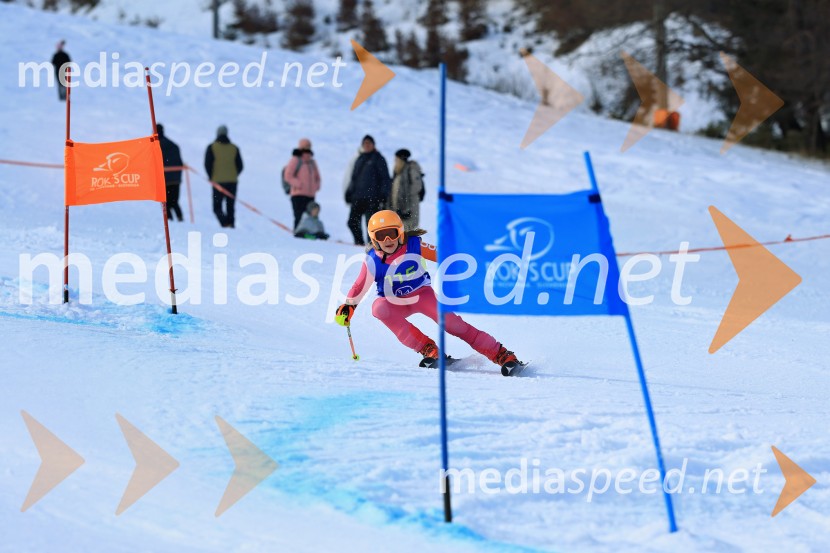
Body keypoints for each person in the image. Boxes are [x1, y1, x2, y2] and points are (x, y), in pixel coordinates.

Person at [334, 210, 521, 370]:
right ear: (374, 240)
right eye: (382, 236)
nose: (388, 239)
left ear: (400, 232)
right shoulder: (372, 261)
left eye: (391, 233)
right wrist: (349, 306)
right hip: (393, 302)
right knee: (378, 308)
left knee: (452, 324)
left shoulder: (414, 245)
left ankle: (501, 355)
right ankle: (429, 350)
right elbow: (359, 285)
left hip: (421, 295)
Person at [345, 135, 390, 245]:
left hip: (373, 197)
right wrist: (349, 191)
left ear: (373, 145)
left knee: (371, 225)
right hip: (358, 197)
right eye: (365, 143)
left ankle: (372, 245)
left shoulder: (379, 159)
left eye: (369, 143)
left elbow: (385, 178)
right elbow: (354, 178)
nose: (367, 145)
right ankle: (359, 242)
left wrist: (384, 196)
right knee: (352, 222)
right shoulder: (359, 159)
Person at [204, 125, 243, 228]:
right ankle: (231, 225)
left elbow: (207, 164)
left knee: (217, 207)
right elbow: (240, 166)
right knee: (230, 206)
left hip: (217, 182)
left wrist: (211, 176)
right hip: (232, 182)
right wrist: (233, 174)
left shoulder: (211, 147)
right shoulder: (234, 148)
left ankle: (225, 223)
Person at [284, 138, 321, 230]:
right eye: (305, 145)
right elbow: (288, 175)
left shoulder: (312, 162)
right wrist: (298, 184)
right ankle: (298, 233)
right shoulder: (296, 160)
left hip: (310, 195)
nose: (307, 147)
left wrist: (316, 187)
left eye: (309, 145)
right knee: (299, 216)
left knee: (311, 216)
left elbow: (318, 177)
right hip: (298, 195)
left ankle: (309, 233)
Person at [389, 148, 424, 230]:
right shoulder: (398, 173)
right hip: (399, 210)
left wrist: (406, 205)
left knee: (408, 231)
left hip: (409, 209)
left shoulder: (411, 169)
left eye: (396, 159)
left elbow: (417, 186)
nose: (395, 162)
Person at [156, 124, 184, 222]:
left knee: (165, 202)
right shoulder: (173, 145)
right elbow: (180, 163)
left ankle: (170, 221)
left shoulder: (156, 146)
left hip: (163, 179)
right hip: (176, 179)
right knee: (175, 202)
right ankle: (180, 219)